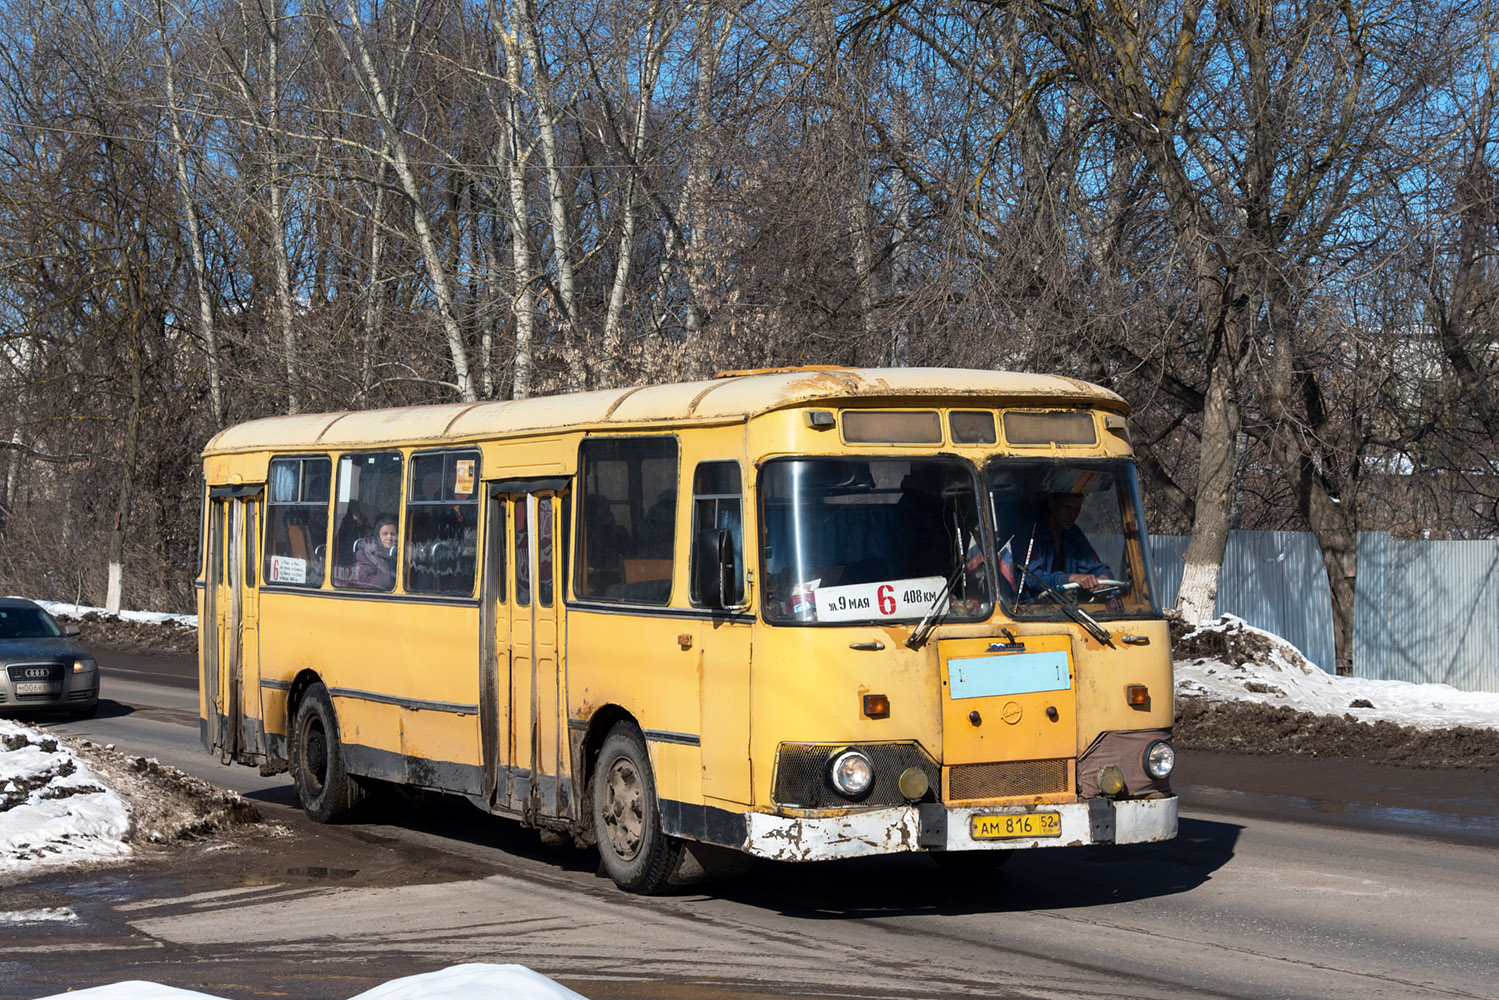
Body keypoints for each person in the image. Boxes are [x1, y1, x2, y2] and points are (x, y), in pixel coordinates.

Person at [1021, 492, 1113, 595]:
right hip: (1033, 607)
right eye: (1067, 508)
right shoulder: (1033, 532)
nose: (1072, 515)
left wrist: (1104, 577)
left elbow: (1095, 566)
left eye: (1076, 510)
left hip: (1068, 607)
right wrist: (1070, 578)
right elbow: (1031, 577)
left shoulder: (1074, 534)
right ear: (1052, 505)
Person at [349, 514, 397, 590]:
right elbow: (364, 581)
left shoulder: (398, 552)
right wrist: (393, 578)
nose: (389, 537)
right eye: (385, 534)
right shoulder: (366, 552)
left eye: (393, 534)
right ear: (378, 536)